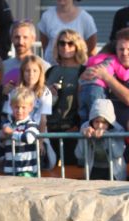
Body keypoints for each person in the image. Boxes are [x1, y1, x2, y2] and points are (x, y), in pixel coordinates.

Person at [89, 29, 129, 132]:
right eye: (121, 49)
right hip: (107, 138)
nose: (125, 53)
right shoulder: (108, 67)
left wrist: (107, 77)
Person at [46, 29, 86, 164]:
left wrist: (78, 124)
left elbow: (86, 101)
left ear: (77, 46)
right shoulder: (50, 71)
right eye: (62, 43)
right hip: (49, 129)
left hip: (72, 130)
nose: (65, 47)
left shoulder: (83, 71)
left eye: (70, 43)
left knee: (71, 174)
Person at [75, 98, 126, 180]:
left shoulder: (118, 129)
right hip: (93, 169)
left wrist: (107, 137)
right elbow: (79, 155)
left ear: (109, 122)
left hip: (114, 171)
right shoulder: (85, 127)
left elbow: (118, 153)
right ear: (92, 121)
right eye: (97, 122)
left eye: (104, 122)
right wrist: (84, 138)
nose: (100, 126)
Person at [38, 0, 97, 66]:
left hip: (77, 72)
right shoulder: (46, 17)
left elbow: (92, 51)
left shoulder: (86, 18)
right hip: (52, 68)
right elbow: (45, 45)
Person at [0, 87, 40, 176]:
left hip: (26, 169)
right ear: (11, 106)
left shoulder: (31, 124)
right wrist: (2, 137)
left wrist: (11, 133)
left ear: (31, 107)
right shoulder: (8, 124)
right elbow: (3, 145)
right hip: (10, 168)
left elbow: (29, 138)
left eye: (23, 107)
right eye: (16, 107)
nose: (20, 111)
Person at [15, 54, 51, 132]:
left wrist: (40, 141)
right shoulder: (15, 92)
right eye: (27, 71)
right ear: (22, 72)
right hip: (19, 135)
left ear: (40, 73)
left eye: (35, 71)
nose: (31, 74)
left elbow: (43, 119)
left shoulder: (45, 92)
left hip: (37, 133)